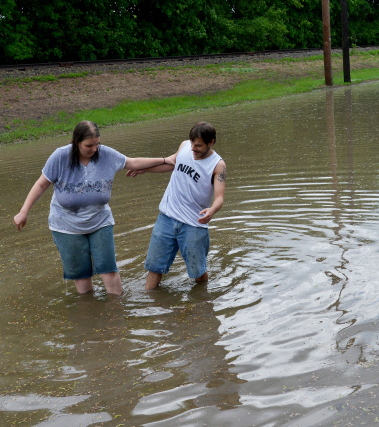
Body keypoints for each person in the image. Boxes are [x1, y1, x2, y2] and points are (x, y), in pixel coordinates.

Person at [13, 120, 172, 295]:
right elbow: (41, 185)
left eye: (97, 144)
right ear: (76, 142)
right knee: (81, 276)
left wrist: (167, 160)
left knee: (109, 270)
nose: (94, 149)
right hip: (66, 225)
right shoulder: (60, 157)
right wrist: (23, 211)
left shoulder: (106, 155)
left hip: (99, 221)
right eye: (89, 145)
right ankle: (88, 311)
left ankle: (115, 312)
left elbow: (133, 162)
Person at [127, 121, 226, 290]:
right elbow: (172, 163)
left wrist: (212, 210)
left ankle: (202, 303)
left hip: (194, 224)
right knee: (154, 266)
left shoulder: (218, 165)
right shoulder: (185, 146)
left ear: (211, 142)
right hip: (166, 217)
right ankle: (150, 303)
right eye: (193, 144)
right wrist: (146, 169)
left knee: (198, 273)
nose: (194, 149)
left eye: (199, 146)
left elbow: (219, 197)